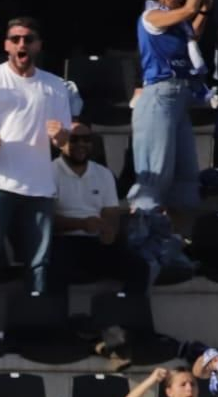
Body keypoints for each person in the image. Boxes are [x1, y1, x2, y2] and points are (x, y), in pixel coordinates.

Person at [0, 17, 73, 324]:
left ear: (38, 45)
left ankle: (34, 328)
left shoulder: (54, 85)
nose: (21, 44)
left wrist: (61, 137)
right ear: (5, 45)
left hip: (40, 186)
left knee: (38, 264)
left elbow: (64, 139)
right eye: (15, 39)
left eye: (28, 39)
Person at [130, 0, 210, 238]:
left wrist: (203, 12)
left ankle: (176, 246)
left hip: (179, 99)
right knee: (155, 177)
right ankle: (142, 248)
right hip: (159, 97)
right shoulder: (152, 15)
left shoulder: (171, 20)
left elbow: (190, 34)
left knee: (186, 180)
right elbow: (188, 10)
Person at [53, 121, 149, 295]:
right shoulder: (49, 172)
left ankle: (124, 316)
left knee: (139, 268)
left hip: (95, 242)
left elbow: (111, 214)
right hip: (62, 242)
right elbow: (46, 221)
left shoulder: (103, 173)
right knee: (54, 270)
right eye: (74, 139)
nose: (81, 144)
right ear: (61, 142)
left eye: (86, 139)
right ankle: (57, 321)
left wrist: (109, 231)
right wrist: (81, 224)